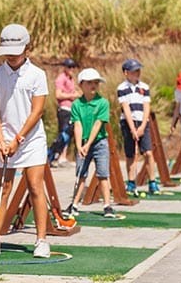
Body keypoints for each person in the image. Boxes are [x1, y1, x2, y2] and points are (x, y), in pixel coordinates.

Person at [0, 24, 52, 259]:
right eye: (8, 50)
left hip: (30, 140)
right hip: (5, 140)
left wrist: (18, 140)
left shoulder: (37, 75)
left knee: (34, 187)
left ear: (27, 49)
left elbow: (37, 111)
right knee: (3, 189)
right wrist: (1, 140)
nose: (11, 55)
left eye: (16, 50)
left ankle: (41, 241)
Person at [64, 68, 117, 218]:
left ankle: (107, 206)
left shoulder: (103, 103)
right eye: (89, 83)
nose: (93, 85)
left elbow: (98, 124)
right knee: (81, 174)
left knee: (102, 174)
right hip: (84, 143)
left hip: (99, 142)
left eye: (96, 83)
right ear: (81, 84)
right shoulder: (76, 105)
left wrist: (88, 145)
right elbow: (78, 125)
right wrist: (80, 145)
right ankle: (74, 204)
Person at [117, 59, 160, 196]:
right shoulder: (122, 88)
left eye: (138, 70)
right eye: (135, 71)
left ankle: (152, 182)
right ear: (126, 72)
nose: (138, 73)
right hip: (128, 123)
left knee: (148, 152)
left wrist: (142, 126)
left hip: (142, 122)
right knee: (130, 154)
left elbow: (147, 106)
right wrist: (132, 129)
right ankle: (131, 182)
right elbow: (125, 108)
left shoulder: (144, 87)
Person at [48, 58, 80, 167]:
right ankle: (58, 157)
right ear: (65, 67)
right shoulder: (61, 79)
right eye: (69, 67)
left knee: (68, 134)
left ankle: (62, 156)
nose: (72, 69)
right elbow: (58, 94)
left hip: (71, 109)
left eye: (73, 67)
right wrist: (72, 96)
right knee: (64, 133)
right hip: (64, 109)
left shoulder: (71, 79)